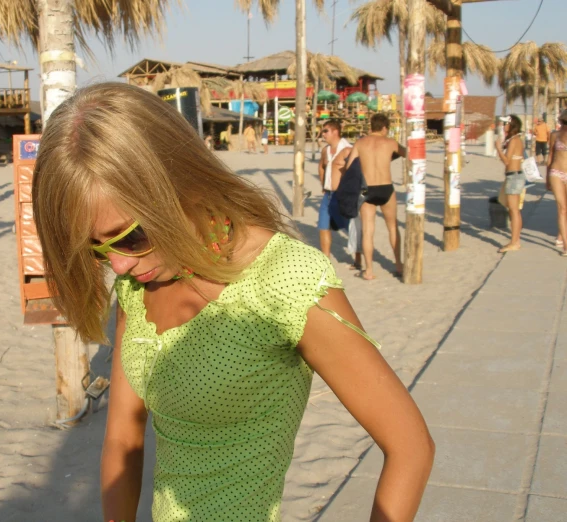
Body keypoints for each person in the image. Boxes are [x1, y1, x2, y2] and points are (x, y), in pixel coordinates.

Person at [31, 83, 434, 522]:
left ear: (183, 180)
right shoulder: (140, 285)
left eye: (132, 237)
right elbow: (123, 438)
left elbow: (410, 447)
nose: (121, 266)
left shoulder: (283, 277)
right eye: (97, 250)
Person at [344, 113, 406, 280]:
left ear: (372, 126)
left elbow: (349, 167)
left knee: (368, 230)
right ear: (384, 128)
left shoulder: (360, 143)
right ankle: (399, 265)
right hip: (386, 188)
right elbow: (407, 153)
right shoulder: (390, 143)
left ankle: (369, 270)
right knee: (392, 227)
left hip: (366, 189)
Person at [317, 120, 352, 258]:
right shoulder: (325, 150)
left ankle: (358, 259)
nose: (323, 134)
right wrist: (323, 183)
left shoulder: (348, 149)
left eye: (325, 131)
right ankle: (326, 258)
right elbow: (321, 166)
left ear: (335, 131)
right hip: (328, 194)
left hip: (343, 195)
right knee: (323, 226)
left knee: (351, 228)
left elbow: (356, 171)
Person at [494, 115, 525, 253]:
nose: (504, 126)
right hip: (515, 176)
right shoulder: (516, 140)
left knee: (513, 210)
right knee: (514, 210)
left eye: (506, 123)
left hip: (514, 177)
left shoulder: (514, 140)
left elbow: (507, 161)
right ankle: (515, 240)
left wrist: (498, 149)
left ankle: (514, 242)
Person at [547, 110, 567, 256]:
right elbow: (550, 156)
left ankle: (561, 235)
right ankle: (566, 245)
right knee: (562, 208)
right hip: (556, 172)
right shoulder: (555, 135)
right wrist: (547, 177)